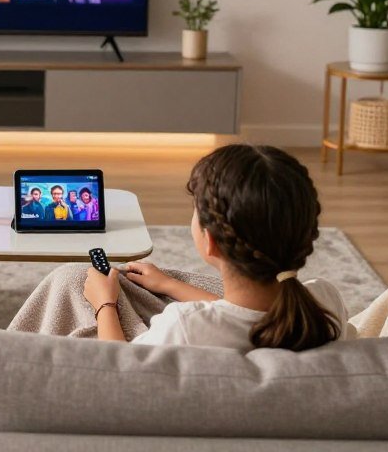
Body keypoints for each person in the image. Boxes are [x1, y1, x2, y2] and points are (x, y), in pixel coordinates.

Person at [83, 144, 355, 350]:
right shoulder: (325, 302)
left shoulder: (185, 327)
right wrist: (169, 285)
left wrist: (104, 303)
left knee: (70, 283)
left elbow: (120, 370)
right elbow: (247, 316)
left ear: (210, 241)